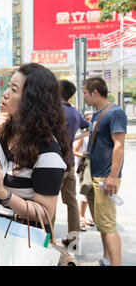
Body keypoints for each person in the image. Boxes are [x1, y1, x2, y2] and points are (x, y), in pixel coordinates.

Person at [0, 63, 70, 236]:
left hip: (23, 240)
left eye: (14, 89)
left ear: (31, 101)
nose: (5, 94)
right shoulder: (7, 132)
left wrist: (3, 194)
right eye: (8, 87)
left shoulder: (47, 151)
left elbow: (45, 213)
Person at [83, 77, 127, 266]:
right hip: (94, 174)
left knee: (108, 225)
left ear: (94, 92)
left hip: (105, 177)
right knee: (101, 222)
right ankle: (106, 259)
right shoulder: (95, 113)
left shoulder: (115, 113)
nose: (83, 97)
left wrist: (112, 176)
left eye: (85, 93)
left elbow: (119, 146)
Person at [54, 80, 90, 247]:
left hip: (54, 164)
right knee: (72, 203)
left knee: (49, 201)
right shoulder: (75, 113)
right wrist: (75, 138)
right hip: (70, 163)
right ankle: (74, 240)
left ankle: (48, 240)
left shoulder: (54, 111)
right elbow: (90, 127)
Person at [73, 112, 95, 232]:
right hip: (83, 168)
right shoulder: (82, 137)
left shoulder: (93, 136)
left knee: (88, 193)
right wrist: (85, 156)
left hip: (91, 167)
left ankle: (84, 216)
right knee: (84, 192)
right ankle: (81, 218)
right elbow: (74, 151)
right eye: (91, 120)